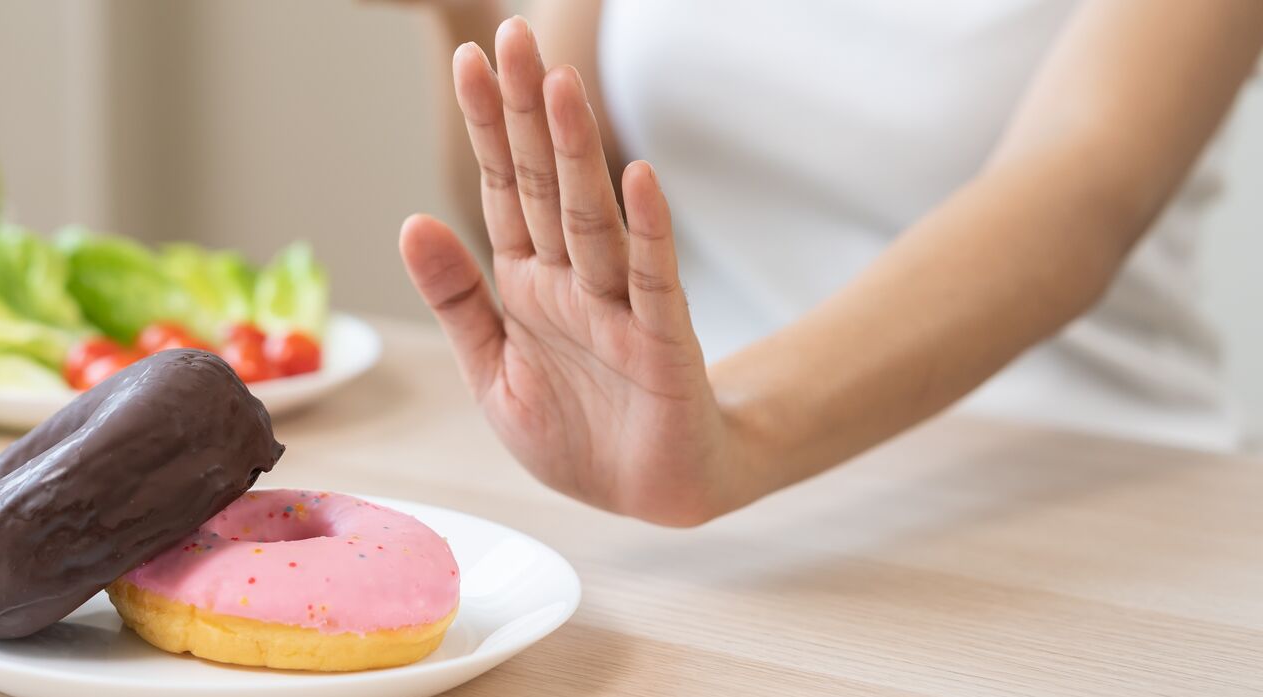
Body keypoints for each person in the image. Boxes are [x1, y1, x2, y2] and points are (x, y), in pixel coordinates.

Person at [383, 1, 1263, 526]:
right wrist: (459, 13)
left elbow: (1079, 189)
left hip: (1082, 485)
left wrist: (732, 427)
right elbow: (578, 199)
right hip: (725, 513)